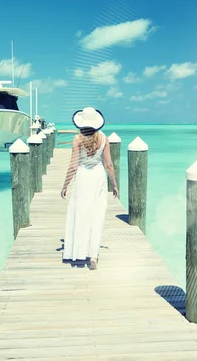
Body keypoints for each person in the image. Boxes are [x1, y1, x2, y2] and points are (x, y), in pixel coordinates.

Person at [61, 107, 118, 270]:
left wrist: (65, 185)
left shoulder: (77, 139)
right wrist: (114, 184)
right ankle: (93, 254)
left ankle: (78, 252)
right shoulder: (104, 139)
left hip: (83, 177)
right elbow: (109, 165)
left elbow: (73, 165)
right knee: (97, 215)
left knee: (80, 213)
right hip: (99, 177)